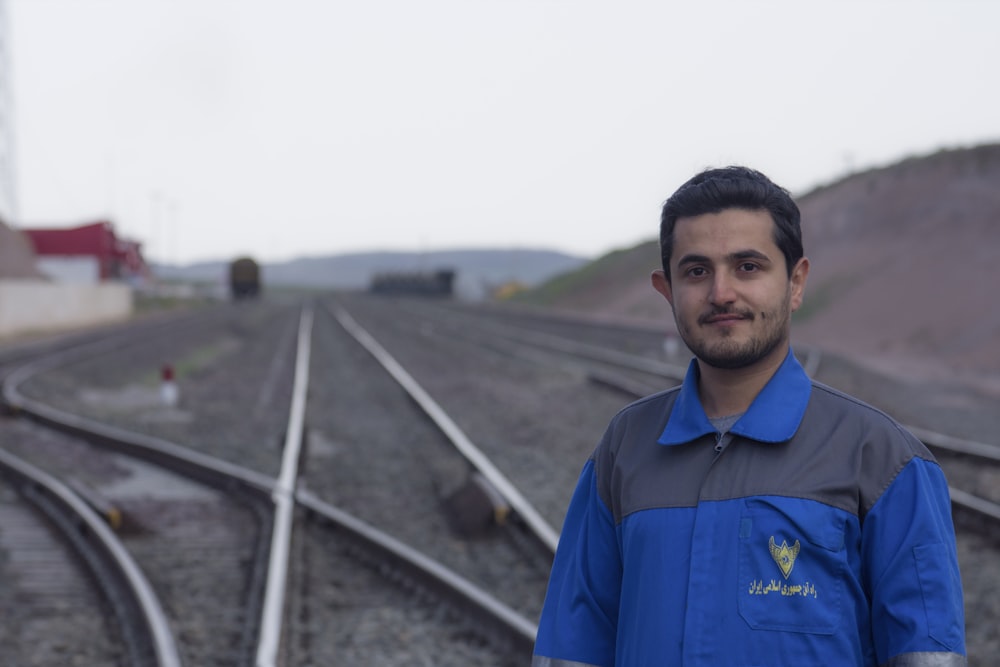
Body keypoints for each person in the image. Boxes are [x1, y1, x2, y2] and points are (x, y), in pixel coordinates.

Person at [531, 166, 966, 666]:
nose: (721, 293)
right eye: (696, 271)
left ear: (796, 282)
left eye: (748, 267)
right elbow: (572, 649)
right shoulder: (623, 449)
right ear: (667, 289)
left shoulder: (884, 461)